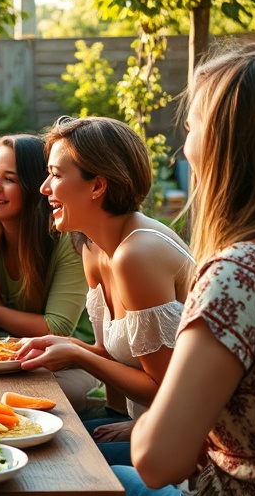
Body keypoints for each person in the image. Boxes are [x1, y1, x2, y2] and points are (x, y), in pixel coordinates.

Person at [17, 116, 194, 467]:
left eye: (55, 174)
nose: (43, 188)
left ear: (97, 186)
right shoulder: (91, 246)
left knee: (49, 461)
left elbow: (166, 390)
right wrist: (68, 346)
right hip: (145, 423)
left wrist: (80, 357)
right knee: (25, 439)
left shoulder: (137, 253)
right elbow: (116, 354)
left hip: (189, 437)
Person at [124, 44, 255, 496]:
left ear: (222, 143)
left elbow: (157, 460)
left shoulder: (238, 275)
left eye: (190, 126)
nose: (185, 147)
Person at [0, 134, 100, 414]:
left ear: (36, 187)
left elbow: (56, 328)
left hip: (67, 363)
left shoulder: (68, 239)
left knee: (17, 402)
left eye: (9, 179)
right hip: (2, 362)